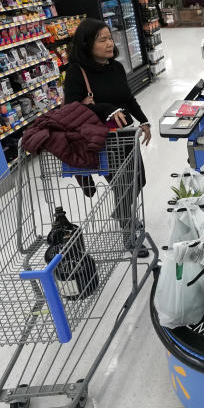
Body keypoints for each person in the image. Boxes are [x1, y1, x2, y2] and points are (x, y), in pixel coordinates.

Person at [64, 18, 152, 252]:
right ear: (86, 45)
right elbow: (71, 108)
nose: (109, 43)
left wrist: (143, 120)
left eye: (110, 38)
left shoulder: (116, 67)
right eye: (101, 40)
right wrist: (105, 108)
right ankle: (128, 233)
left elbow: (127, 98)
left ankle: (121, 212)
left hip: (125, 134)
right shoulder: (76, 72)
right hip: (101, 140)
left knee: (138, 180)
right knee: (122, 185)